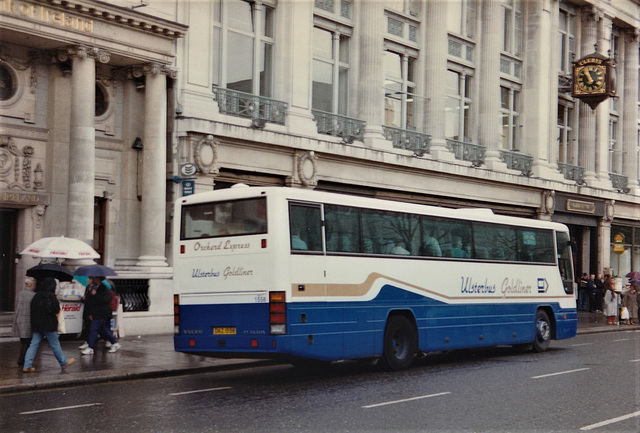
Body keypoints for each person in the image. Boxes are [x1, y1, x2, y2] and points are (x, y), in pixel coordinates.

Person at [22, 277, 75, 372]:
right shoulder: (51, 296)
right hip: (48, 324)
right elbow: (56, 310)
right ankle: (63, 362)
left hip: (37, 324)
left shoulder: (36, 295)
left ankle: (27, 365)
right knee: (55, 344)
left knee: (33, 344)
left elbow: (33, 309)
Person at [81, 276, 120, 355]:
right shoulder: (93, 288)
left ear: (98, 279)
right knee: (103, 329)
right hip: (96, 312)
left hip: (102, 312)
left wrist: (95, 295)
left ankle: (90, 347)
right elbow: (92, 301)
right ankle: (114, 343)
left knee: (93, 329)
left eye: (93, 278)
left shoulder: (104, 288)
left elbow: (105, 300)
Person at [12, 276, 36, 367]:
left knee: (23, 342)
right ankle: (23, 360)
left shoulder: (19, 293)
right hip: (29, 322)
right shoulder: (33, 295)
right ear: (32, 285)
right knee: (28, 343)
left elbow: (17, 308)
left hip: (20, 321)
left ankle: (21, 360)